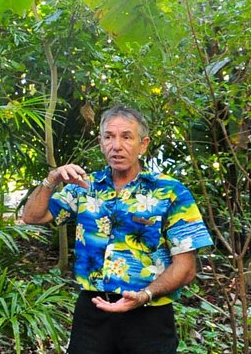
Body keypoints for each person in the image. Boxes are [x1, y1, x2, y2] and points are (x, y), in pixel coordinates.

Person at [22, 105, 213, 354]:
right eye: (109, 137)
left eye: (126, 137)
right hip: (93, 312)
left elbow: (185, 268)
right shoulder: (84, 186)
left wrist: (144, 295)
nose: (116, 145)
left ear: (143, 144)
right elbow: (32, 216)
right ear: (101, 143)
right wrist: (52, 179)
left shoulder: (170, 192)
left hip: (149, 314)